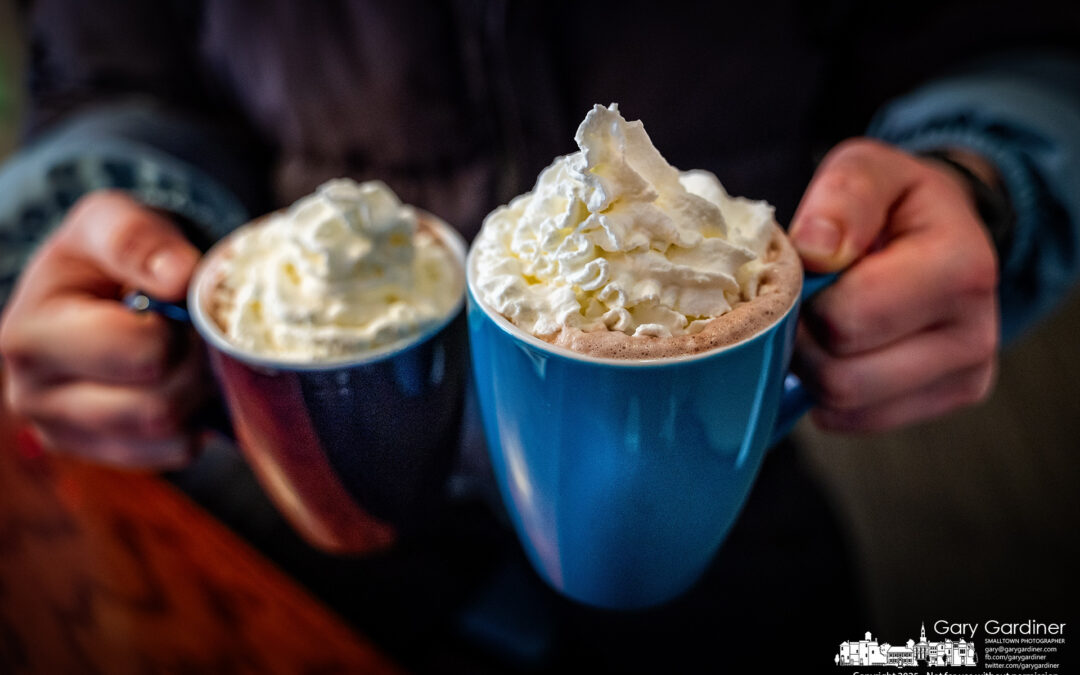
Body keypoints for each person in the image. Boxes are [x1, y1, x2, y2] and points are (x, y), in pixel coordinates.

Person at [0, 1, 1078, 671]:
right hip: (320, 497)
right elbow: (112, 69)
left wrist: (987, 176)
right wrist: (101, 213)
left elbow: (1003, 31)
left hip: (719, 501)